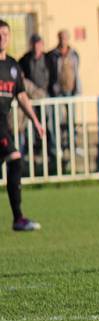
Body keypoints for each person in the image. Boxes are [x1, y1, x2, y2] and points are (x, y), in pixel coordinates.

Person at [0, 20, 45, 231]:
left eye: (6, 34)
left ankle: (18, 218)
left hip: (4, 122)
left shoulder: (12, 66)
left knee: (13, 161)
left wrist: (35, 121)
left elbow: (21, 96)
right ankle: (18, 218)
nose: (3, 38)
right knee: (15, 158)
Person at [19, 34, 56, 166]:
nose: (36, 47)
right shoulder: (25, 59)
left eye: (39, 44)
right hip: (30, 99)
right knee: (30, 126)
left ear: (42, 45)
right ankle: (32, 152)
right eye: (34, 44)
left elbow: (54, 77)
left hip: (45, 97)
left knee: (50, 123)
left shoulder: (49, 58)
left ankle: (52, 151)